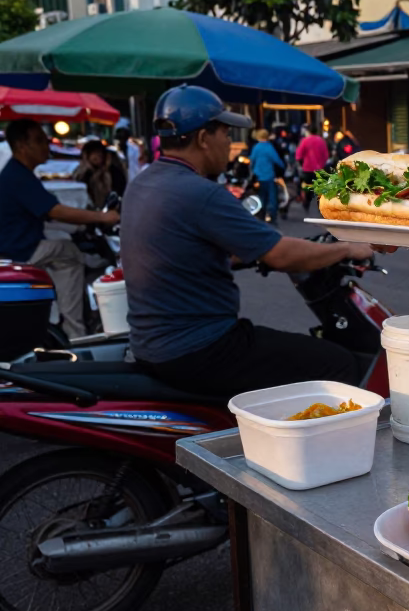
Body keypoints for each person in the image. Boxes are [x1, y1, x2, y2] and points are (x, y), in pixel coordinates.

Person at [119, 85, 375, 399]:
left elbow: (180, 249)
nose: (230, 144)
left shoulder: (143, 182)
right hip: (201, 348)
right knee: (340, 364)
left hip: (154, 345)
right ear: (203, 138)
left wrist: (244, 256)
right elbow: (280, 254)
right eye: (226, 135)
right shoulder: (201, 193)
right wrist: (348, 248)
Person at [0, 119, 120, 339]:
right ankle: (75, 331)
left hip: (22, 245)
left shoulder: (19, 174)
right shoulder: (17, 176)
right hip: (19, 251)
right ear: (21, 146)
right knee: (70, 252)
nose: (46, 146)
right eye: (39, 141)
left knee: (64, 246)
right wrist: (102, 217)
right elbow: (55, 211)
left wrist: (84, 222)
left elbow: (46, 212)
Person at [73, 139, 127, 207]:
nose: (98, 156)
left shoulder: (113, 171)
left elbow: (120, 190)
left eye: (99, 152)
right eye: (94, 153)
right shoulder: (81, 173)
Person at [248, 129, 284, 225]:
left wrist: (251, 170)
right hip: (269, 176)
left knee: (261, 197)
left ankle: (262, 216)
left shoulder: (256, 147)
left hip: (259, 177)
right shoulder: (269, 147)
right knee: (272, 197)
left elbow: (252, 160)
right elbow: (277, 160)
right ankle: (272, 216)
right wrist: (283, 166)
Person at [296, 126, 330, 210]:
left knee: (307, 187)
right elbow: (326, 155)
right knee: (320, 189)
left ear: (308, 132)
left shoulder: (305, 140)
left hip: (307, 168)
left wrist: (301, 164)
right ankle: (321, 207)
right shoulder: (321, 141)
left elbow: (299, 155)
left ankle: (306, 203)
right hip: (319, 169)